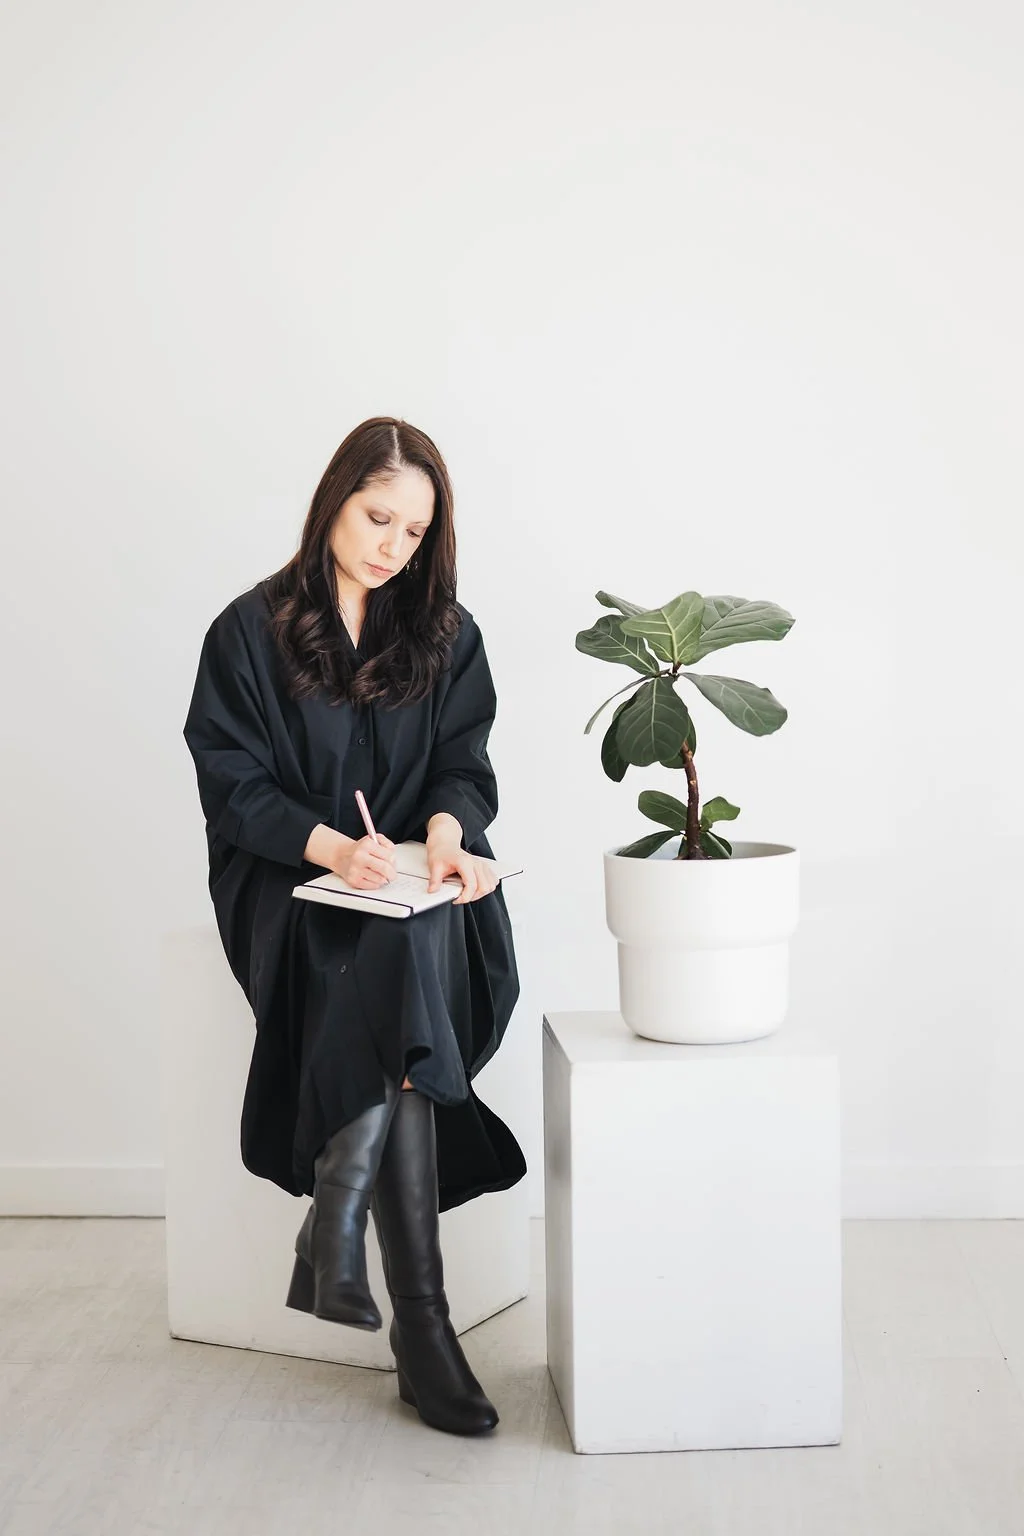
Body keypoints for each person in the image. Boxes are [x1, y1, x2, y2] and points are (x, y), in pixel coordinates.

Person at [182, 416, 526, 1437]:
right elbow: (230, 782)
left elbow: (463, 761)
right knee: (391, 962)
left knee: (405, 946)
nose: (392, 544)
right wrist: (330, 848)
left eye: (414, 532)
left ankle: (344, 1225)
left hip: (421, 885)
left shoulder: (447, 636)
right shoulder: (248, 629)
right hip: (283, 884)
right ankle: (425, 1328)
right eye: (378, 517)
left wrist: (450, 834)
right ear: (334, 498)